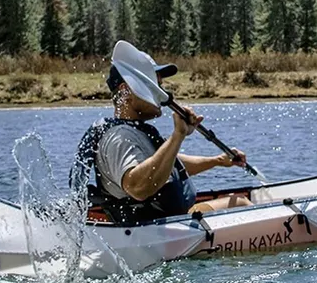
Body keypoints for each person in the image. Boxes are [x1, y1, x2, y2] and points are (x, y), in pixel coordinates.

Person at [72, 41, 250, 225]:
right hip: (154, 234)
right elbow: (137, 187)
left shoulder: (134, 131)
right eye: (155, 86)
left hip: (171, 222)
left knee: (237, 201)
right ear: (126, 91)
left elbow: (167, 165)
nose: (162, 92)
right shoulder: (120, 137)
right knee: (242, 203)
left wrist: (217, 161)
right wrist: (177, 135)